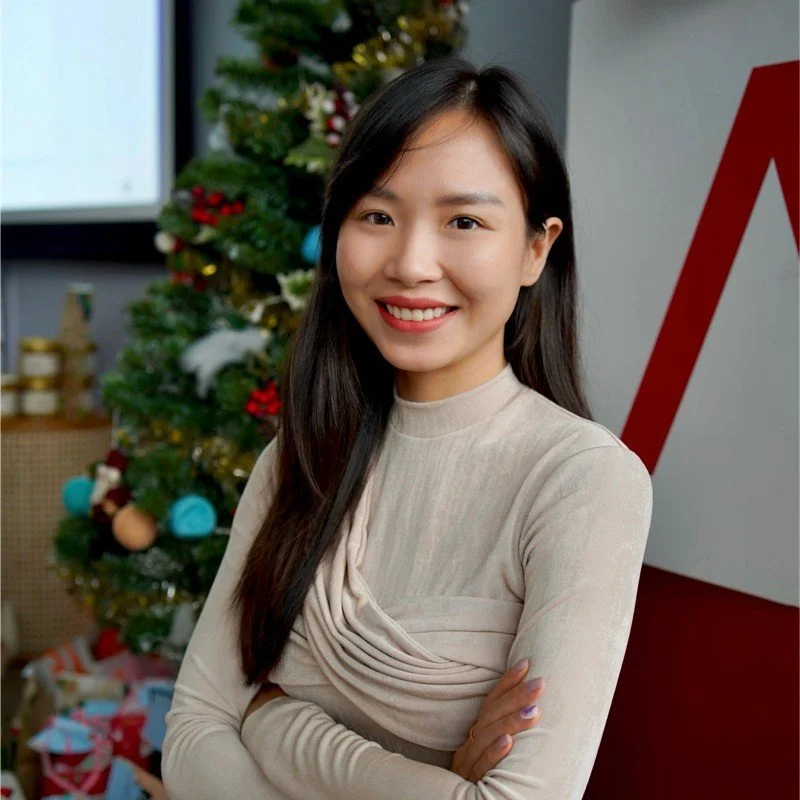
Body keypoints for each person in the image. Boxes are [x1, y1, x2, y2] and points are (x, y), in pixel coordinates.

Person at [161, 56, 653, 799]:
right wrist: (440, 779)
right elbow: (194, 733)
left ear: (535, 248)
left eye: (464, 221)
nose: (412, 263)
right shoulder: (297, 460)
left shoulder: (582, 480)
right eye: (378, 216)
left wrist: (273, 724)